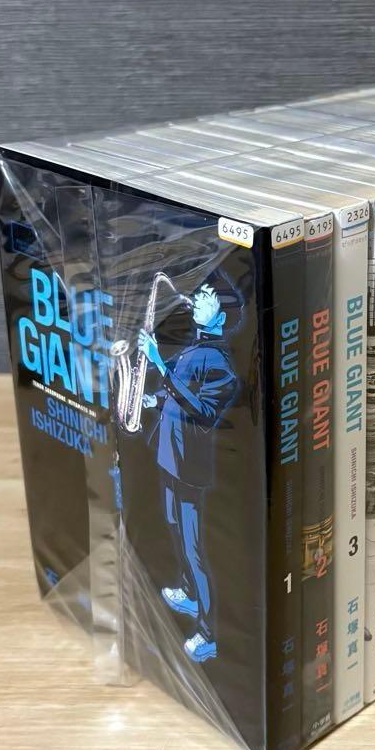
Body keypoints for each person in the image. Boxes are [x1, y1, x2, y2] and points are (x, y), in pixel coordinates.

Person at [138, 275, 241, 663]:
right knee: (173, 526)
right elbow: (179, 391)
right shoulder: (195, 349)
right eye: (199, 293)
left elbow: (203, 412)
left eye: (207, 296)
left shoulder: (220, 364)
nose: (197, 298)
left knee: (193, 548)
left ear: (222, 316)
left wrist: (158, 366)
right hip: (169, 455)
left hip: (188, 465)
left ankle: (208, 634)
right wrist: (154, 399)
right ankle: (187, 593)